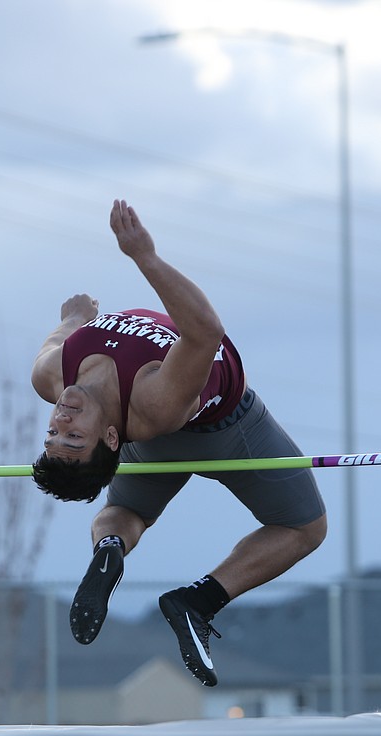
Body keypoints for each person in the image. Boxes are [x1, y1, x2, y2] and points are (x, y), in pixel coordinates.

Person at [30, 199, 327, 686]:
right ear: (109, 437)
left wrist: (72, 321)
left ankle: (110, 547)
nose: (61, 418)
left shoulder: (52, 379)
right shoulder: (153, 401)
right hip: (227, 431)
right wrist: (144, 256)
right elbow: (206, 331)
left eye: (54, 432)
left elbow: (50, 345)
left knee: (126, 513)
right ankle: (200, 600)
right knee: (304, 527)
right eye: (73, 436)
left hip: (149, 444)